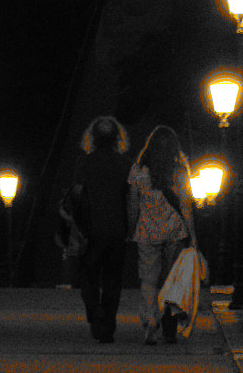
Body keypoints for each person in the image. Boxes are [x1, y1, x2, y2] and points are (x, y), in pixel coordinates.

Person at [127, 125, 196, 345]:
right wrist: (192, 235)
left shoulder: (139, 171)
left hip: (147, 231)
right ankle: (169, 328)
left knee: (148, 279)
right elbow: (186, 206)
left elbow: (133, 203)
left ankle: (150, 320)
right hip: (175, 231)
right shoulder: (180, 173)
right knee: (171, 280)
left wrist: (131, 228)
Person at [71, 114, 130, 342]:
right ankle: (108, 326)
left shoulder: (84, 162)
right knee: (113, 280)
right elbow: (131, 198)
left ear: (92, 137)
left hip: (91, 230)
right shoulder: (125, 164)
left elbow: (77, 194)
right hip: (118, 229)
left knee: (89, 278)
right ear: (117, 138)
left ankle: (96, 314)